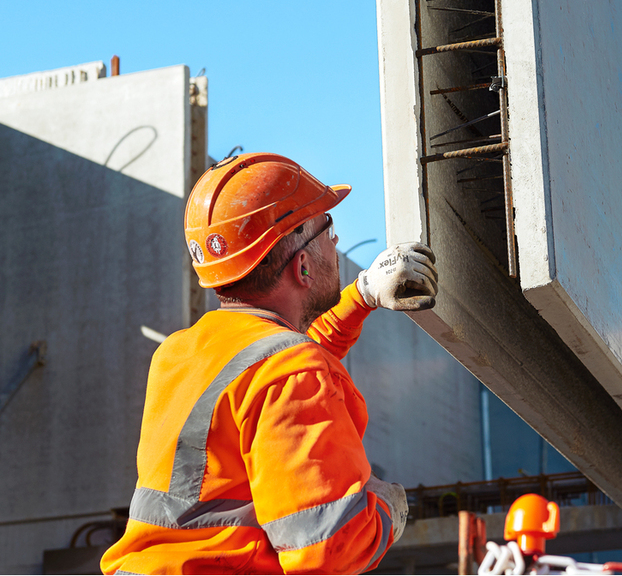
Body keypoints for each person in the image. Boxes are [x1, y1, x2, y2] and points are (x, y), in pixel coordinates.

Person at [101, 153, 439, 574]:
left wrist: (364, 293)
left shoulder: (179, 353)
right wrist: (388, 508)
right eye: (327, 228)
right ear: (302, 265)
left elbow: (271, 367)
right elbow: (330, 548)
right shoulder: (290, 370)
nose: (336, 242)